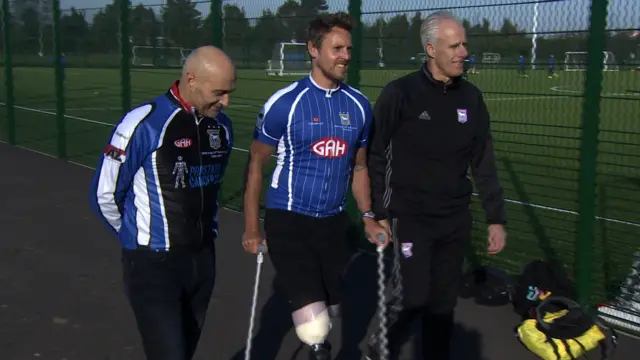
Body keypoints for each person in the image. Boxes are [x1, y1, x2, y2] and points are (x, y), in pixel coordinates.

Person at [242, 12, 389, 360]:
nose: (346, 56)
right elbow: (256, 166)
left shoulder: (359, 106)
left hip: (333, 224)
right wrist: (252, 227)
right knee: (316, 328)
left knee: (331, 306)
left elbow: (361, 166)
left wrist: (368, 216)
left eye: (349, 49)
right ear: (313, 49)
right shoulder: (284, 103)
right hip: (288, 220)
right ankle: (318, 348)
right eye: (337, 48)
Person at [365, 11, 507, 360]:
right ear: (431, 49)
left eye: (465, 44)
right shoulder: (401, 93)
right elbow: (375, 154)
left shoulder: (472, 99)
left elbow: (483, 162)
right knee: (413, 296)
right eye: (454, 45)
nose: (463, 52)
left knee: (443, 304)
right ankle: (380, 346)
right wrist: (379, 213)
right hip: (410, 216)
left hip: (455, 219)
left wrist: (496, 218)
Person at [89, 46, 236, 360]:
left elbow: (212, 187)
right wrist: (137, 238)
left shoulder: (222, 127)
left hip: (202, 260)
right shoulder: (143, 123)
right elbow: (105, 194)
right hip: (153, 264)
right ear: (191, 79)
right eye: (219, 92)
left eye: (229, 93)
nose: (226, 102)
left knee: (184, 350)